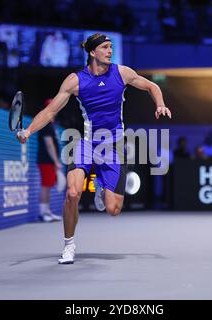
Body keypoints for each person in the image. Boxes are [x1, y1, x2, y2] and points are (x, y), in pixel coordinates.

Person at [17, 33, 171, 264]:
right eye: (105, 47)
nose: (110, 51)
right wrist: (28, 131)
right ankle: (69, 245)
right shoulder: (75, 80)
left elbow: (150, 85)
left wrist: (160, 104)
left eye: (111, 47)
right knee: (72, 193)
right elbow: (50, 112)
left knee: (113, 209)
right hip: (85, 142)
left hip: (114, 146)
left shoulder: (122, 72)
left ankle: (100, 185)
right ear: (92, 52)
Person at [36, 99, 63, 222]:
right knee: (45, 186)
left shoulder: (51, 124)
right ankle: (43, 213)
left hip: (49, 161)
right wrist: (56, 161)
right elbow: (49, 145)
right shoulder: (45, 124)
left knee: (48, 185)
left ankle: (47, 211)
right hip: (46, 160)